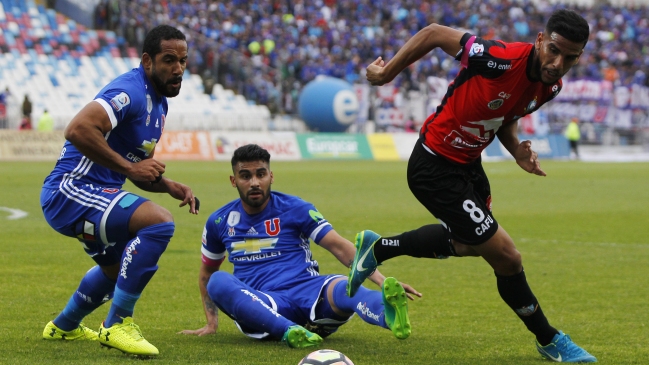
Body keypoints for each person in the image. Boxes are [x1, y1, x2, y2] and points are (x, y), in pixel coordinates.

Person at [347, 9, 597, 363]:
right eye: (553, 50)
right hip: (433, 164)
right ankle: (549, 338)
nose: (558, 63)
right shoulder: (498, 58)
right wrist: (387, 73)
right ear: (540, 40)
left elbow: (506, 114)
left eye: (570, 57)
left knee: (468, 245)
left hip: (468, 166)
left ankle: (379, 248)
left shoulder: (550, 85)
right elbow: (434, 32)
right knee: (507, 257)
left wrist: (516, 151)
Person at [40, 25, 198, 357]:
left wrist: (168, 186)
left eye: (183, 60)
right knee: (159, 223)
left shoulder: (160, 105)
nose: (178, 69)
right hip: (70, 190)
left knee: (116, 272)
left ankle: (63, 327)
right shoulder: (131, 90)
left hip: (95, 195)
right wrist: (129, 169)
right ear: (147, 61)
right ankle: (116, 324)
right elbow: (78, 128)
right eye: (169, 60)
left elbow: (137, 166)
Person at [180, 144, 420, 347]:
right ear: (234, 181)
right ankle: (289, 332)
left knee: (346, 286)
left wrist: (380, 279)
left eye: (261, 174)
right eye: (245, 176)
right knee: (219, 281)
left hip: (308, 291)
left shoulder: (295, 208)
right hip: (263, 304)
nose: (254, 182)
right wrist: (211, 323)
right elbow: (207, 273)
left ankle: (388, 316)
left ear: (271, 176)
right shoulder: (219, 221)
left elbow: (338, 246)